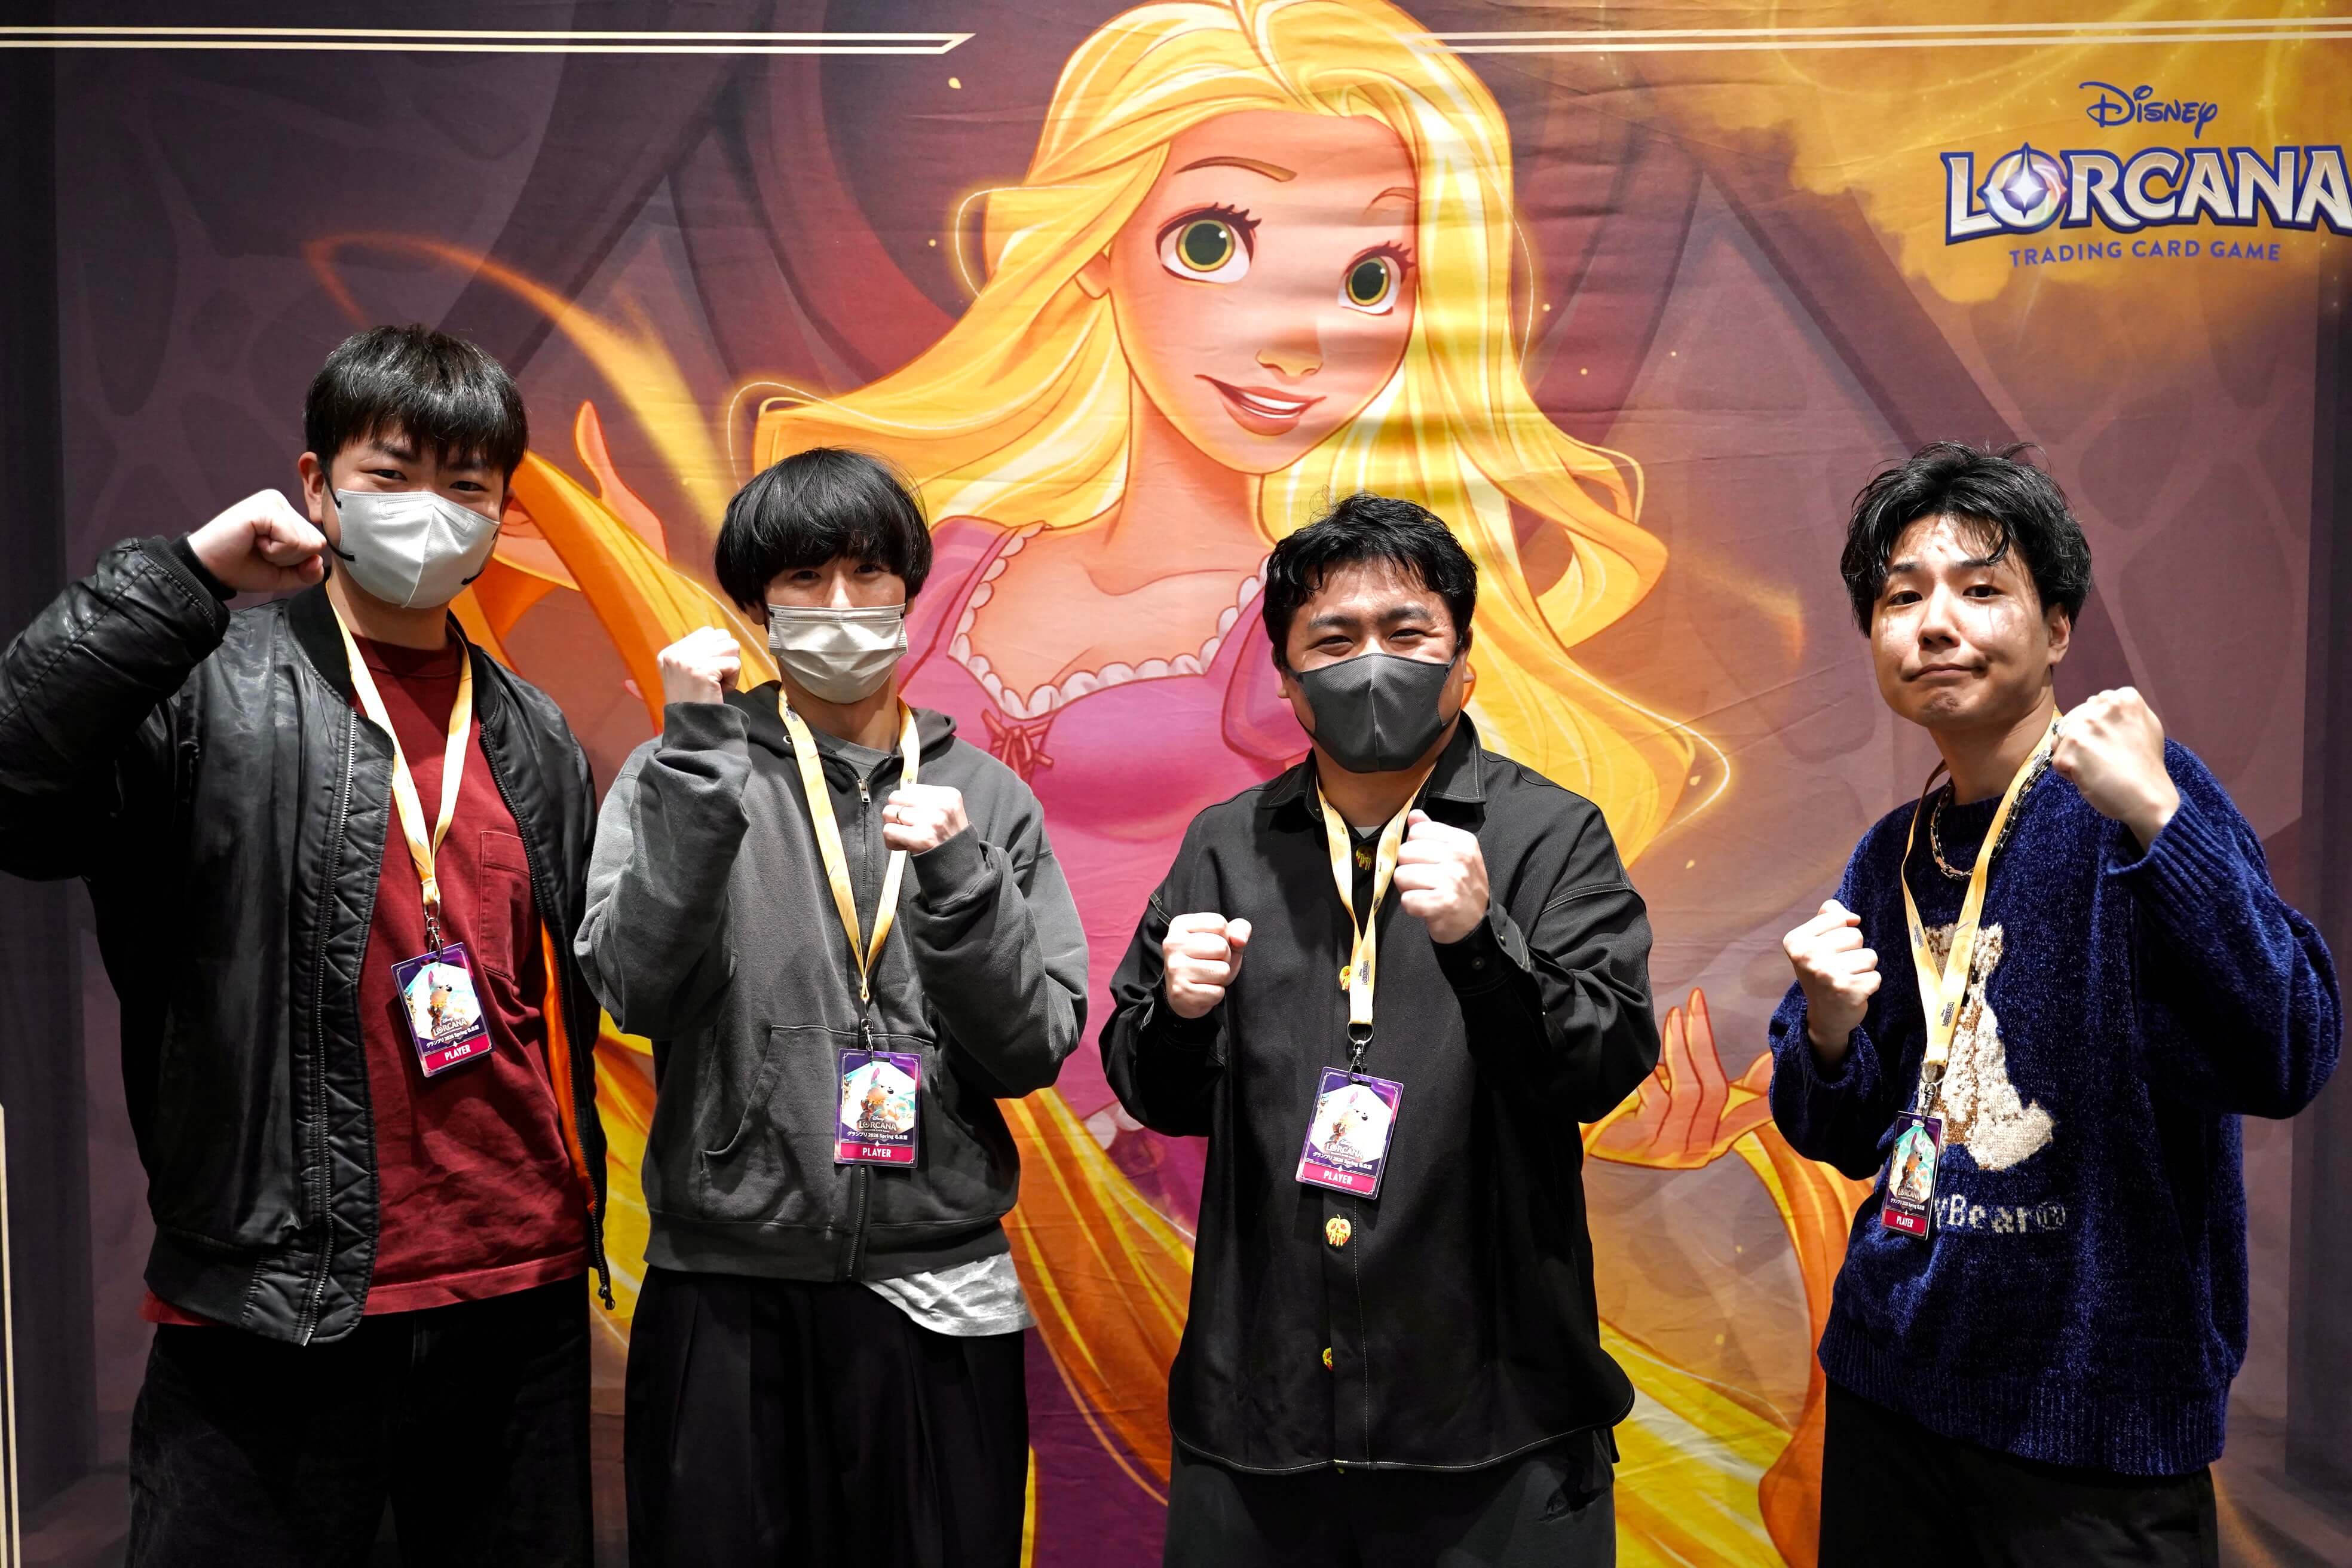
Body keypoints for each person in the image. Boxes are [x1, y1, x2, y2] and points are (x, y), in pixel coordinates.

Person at [0, 325, 611, 1566]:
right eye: (392, 475)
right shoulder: (204, 686)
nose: (431, 512)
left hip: (517, 1297)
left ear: (502, 514)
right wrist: (182, 577)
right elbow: (18, 786)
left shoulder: (533, 730)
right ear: (319, 485)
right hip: (274, 1304)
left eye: (468, 486)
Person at [1769, 442, 2341, 1567]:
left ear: (2060, 627)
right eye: (1902, 598)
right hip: (1893, 1389)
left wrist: (2161, 822)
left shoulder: (2137, 801)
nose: (1937, 625)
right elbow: (1838, 1133)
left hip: (2094, 1429)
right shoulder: (1892, 853)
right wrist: (1827, 1036)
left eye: (1982, 590)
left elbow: (2286, 1051)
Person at [1102, 493, 1659, 1566]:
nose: (1371, 665)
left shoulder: (1550, 836)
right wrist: (1177, 1013)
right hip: (1261, 1421)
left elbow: (1602, 1064)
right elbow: (1155, 1095)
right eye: (1334, 640)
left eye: (1407, 634)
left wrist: (1482, 946)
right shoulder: (1226, 845)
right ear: (1287, 679)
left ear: (1464, 663)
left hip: (1496, 1421)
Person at [576, 447, 1088, 1567]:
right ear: (758, 606)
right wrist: (700, 773)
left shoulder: (986, 797)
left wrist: (959, 882)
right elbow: (632, 989)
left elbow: (1030, 1050)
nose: (841, 605)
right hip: (723, 1287)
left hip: (936, 1287)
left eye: (867, 573)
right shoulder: (678, 770)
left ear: (910, 589)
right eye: (805, 579)